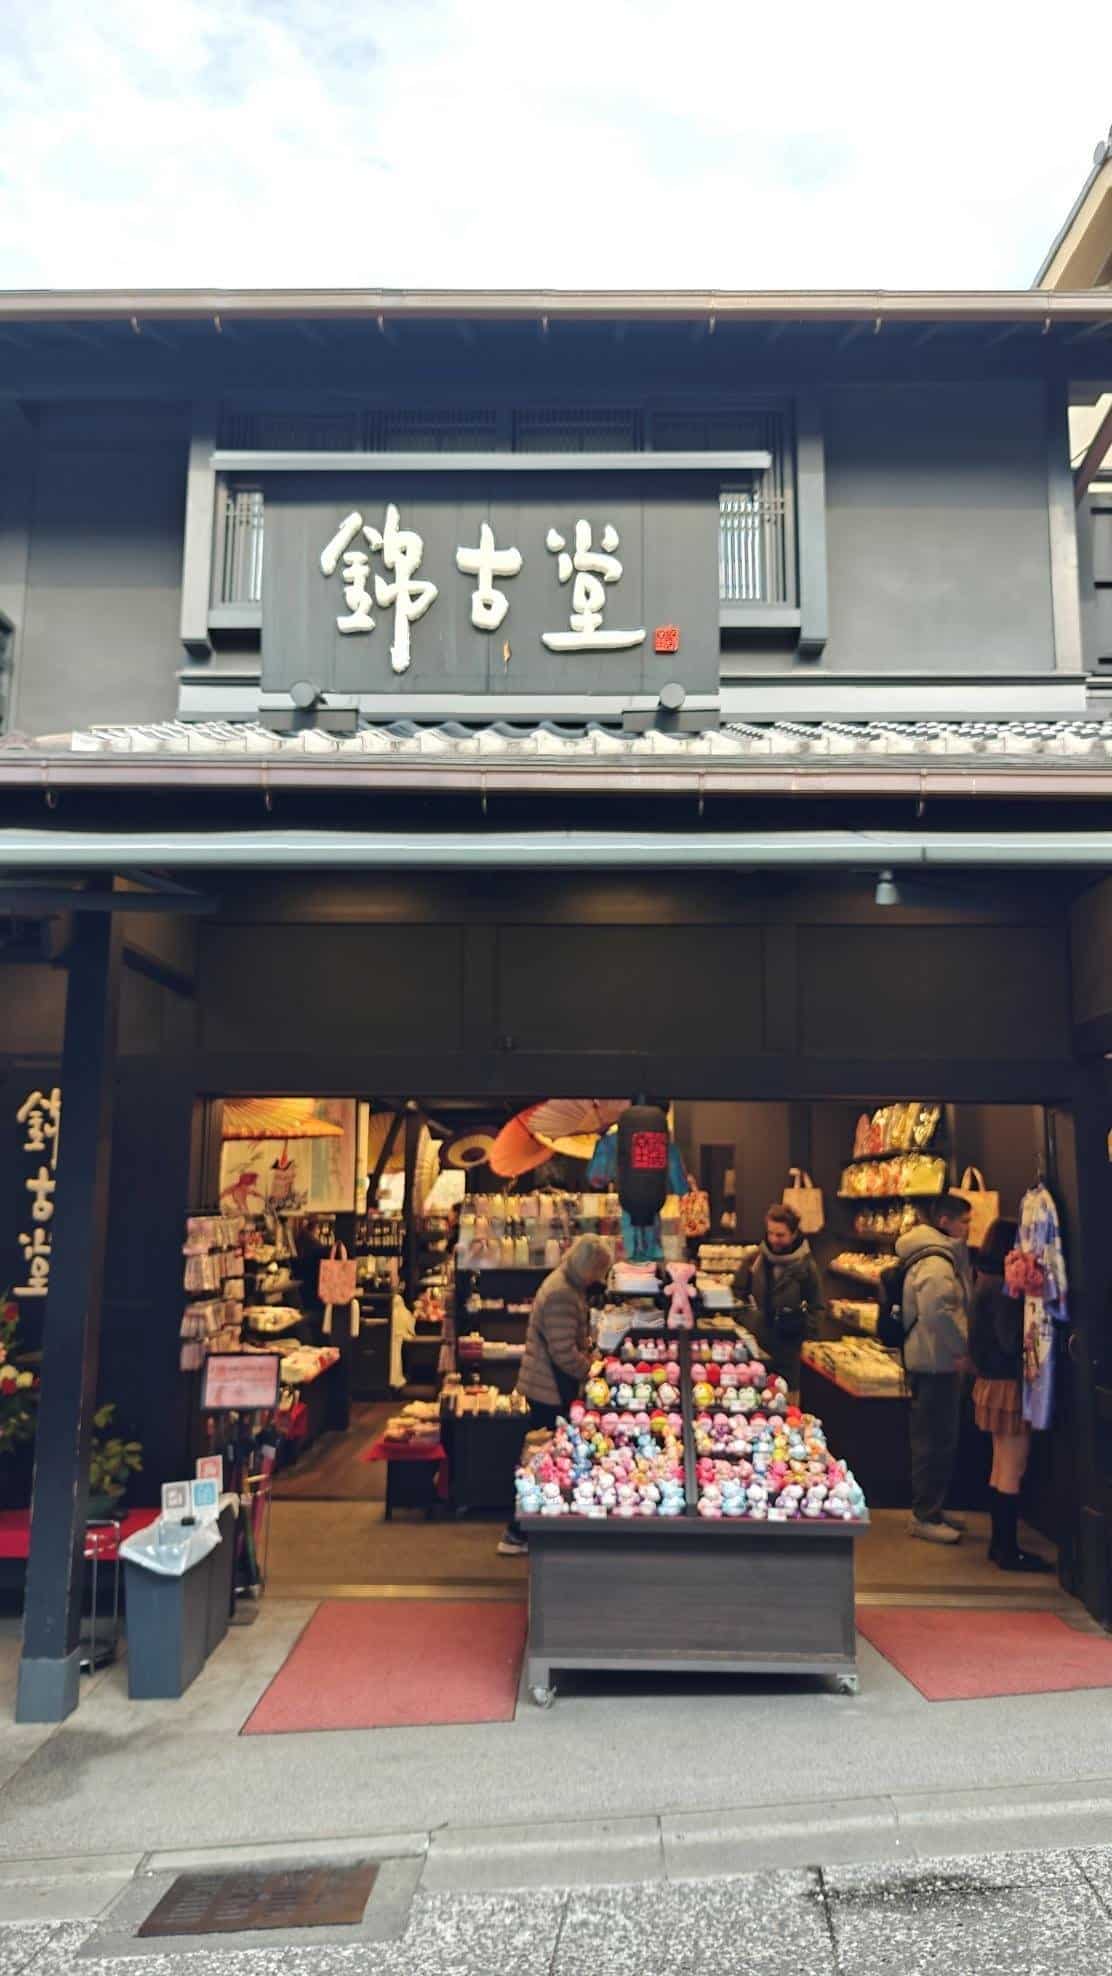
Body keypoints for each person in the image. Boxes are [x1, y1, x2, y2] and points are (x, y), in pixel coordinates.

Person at [497, 1233, 613, 1557]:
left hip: (545, 1385)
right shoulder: (562, 1292)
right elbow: (563, 1352)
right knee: (542, 1461)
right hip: (546, 1389)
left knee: (542, 1459)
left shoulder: (566, 1284)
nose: (598, 1279)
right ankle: (518, 1531)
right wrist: (590, 1369)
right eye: (598, 1271)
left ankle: (528, 1527)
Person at [971, 1216, 1053, 1574]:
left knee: (999, 1465)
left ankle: (998, 1545)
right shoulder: (1002, 1289)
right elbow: (1008, 1341)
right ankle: (1007, 1549)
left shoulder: (982, 1281)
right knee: (1012, 1467)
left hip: (989, 1385)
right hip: (1008, 1387)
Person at [896, 1194, 974, 1545]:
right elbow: (940, 1311)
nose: (968, 1229)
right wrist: (964, 1347)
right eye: (964, 1221)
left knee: (939, 1437)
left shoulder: (932, 1257)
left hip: (933, 1358)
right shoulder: (936, 1263)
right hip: (935, 1360)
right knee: (933, 1439)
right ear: (945, 1221)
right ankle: (924, 1514)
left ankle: (933, 1508)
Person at [730, 1202, 826, 1394]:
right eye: (770, 1233)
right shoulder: (754, 1260)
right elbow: (734, 1296)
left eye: (780, 1235)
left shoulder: (806, 1267)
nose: (774, 1239)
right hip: (756, 1345)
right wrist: (750, 1320)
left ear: (794, 1233)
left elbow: (818, 1306)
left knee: (786, 1403)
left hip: (789, 1351)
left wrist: (802, 1329)